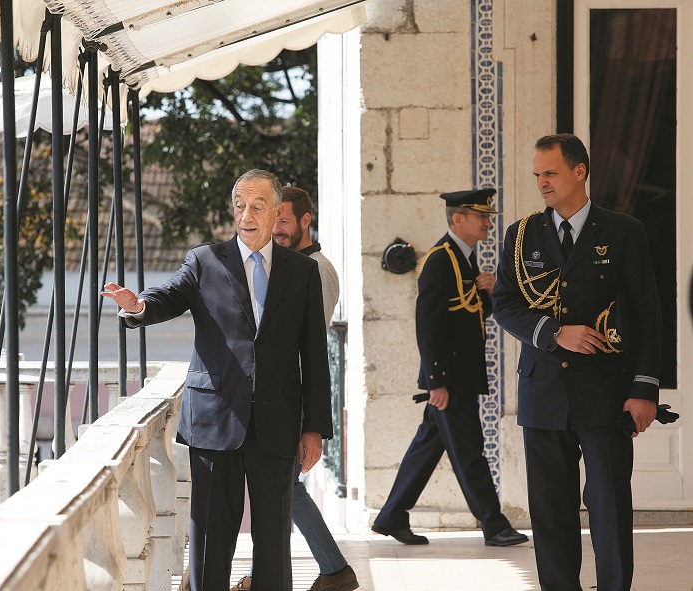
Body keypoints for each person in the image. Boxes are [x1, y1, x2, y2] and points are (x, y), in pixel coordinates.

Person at [102, 169, 333, 591]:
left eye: (258, 206)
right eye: (240, 205)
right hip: (214, 422)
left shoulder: (302, 272)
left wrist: (315, 428)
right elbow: (169, 296)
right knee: (210, 539)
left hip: (278, 424)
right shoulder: (205, 260)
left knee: (274, 543)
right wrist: (136, 306)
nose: (246, 214)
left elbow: (315, 355)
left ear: (276, 211)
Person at [492, 133, 662, 590]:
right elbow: (505, 304)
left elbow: (647, 314)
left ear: (579, 172)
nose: (541, 183)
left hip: (605, 394)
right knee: (550, 513)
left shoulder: (624, 231)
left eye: (550, 172)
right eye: (537, 175)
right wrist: (552, 333)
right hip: (543, 393)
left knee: (608, 507)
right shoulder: (521, 234)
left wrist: (644, 389)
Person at [372, 189, 528, 548]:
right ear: (458, 218)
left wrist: (489, 293)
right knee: (470, 450)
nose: (488, 222)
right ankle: (494, 523)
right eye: (481, 216)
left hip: (459, 375)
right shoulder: (441, 259)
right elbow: (427, 326)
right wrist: (436, 381)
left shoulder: (463, 258)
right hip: (450, 379)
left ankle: (392, 515)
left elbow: (467, 315)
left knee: (429, 445)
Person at [231, 187, 356, 591]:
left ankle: (328, 569)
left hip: (292, 396)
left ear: (306, 220)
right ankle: (313, 571)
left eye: (284, 220)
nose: (276, 228)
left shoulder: (315, 269)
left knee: (282, 485)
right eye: (274, 220)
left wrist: (306, 417)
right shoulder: (279, 266)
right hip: (276, 397)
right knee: (279, 486)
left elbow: (307, 346)